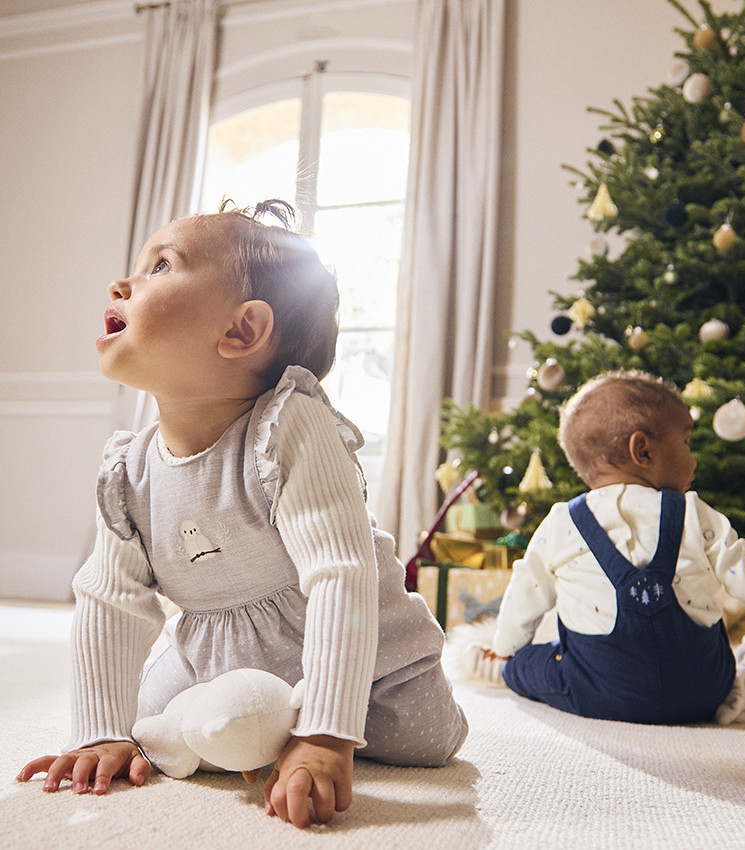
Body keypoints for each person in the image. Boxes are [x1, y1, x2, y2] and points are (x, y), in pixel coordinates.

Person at [17, 200, 467, 828]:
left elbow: (340, 572)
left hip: (355, 656)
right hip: (218, 651)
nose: (122, 284)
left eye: (161, 266)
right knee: (149, 724)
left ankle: (289, 723)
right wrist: (100, 733)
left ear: (241, 332)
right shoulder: (130, 470)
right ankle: (255, 721)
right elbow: (109, 600)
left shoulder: (288, 426)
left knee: (427, 738)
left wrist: (328, 731)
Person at [465, 369, 745, 724]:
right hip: (704, 691)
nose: (693, 456)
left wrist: (505, 647)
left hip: (597, 693)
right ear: (643, 451)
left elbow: (526, 595)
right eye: (685, 441)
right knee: (719, 653)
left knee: (531, 661)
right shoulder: (694, 515)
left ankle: (498, 667)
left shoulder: (561, 523)